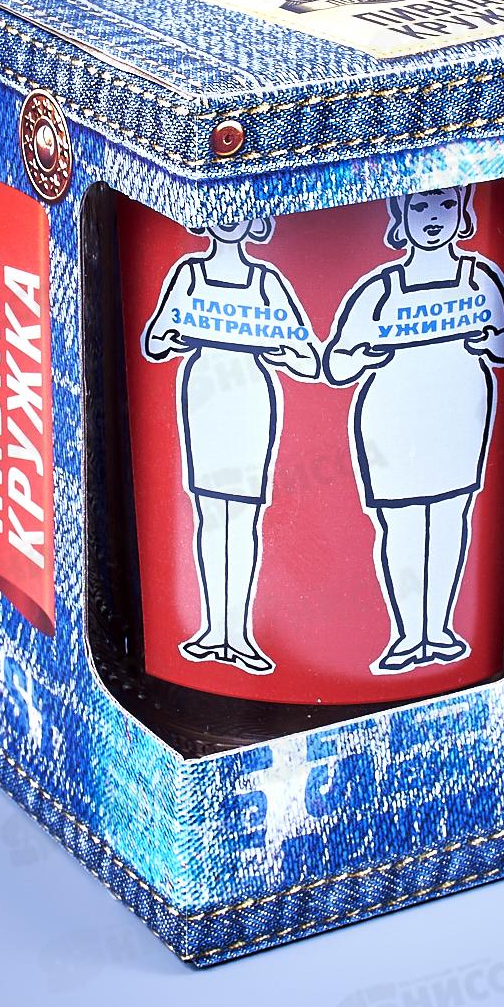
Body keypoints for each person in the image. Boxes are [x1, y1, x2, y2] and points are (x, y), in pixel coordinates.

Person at [323, 187, 504, 673]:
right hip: (391, 420)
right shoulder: (381, 289)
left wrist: (489, 337)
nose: (434, 218)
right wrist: (362, 355)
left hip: (459, 416)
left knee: (452, 519)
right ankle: (409, 635)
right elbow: (337, 362)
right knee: (402, 526)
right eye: (421, 207)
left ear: (463, 212)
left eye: (446, 205)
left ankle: (441, 630)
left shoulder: (479, 278)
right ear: (401, 216)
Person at [142, 216, 319, 674]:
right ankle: (211, 629)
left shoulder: (266, 282)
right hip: (203, 394)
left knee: (242, 519)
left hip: (251, 397)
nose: (228, 221)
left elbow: (308, 358)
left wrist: (280, 350)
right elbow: (156, 341)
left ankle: (238, 633)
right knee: (207, 515)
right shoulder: (188, 274)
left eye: (238, 215)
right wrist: (176, 335)